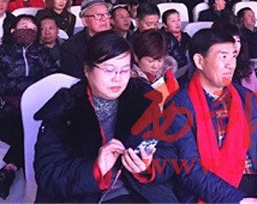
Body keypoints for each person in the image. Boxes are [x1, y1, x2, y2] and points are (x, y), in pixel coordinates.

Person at [34, 31, 172, 202]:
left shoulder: (144, 99)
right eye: (109, 70)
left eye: (124, 70)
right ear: (87, 70)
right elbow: (48, 175)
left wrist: (148, 167)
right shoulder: (65, 110)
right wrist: (96, 168)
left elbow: (169, 153)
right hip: (86, 197)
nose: (117, 78)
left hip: (141, 194)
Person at [154, 28, 257, 202]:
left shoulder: (246, 98)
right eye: (223, 57)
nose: (231, 64)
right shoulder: (179, 106)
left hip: (255, 183)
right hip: (213, 191)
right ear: (199, 61)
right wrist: (239, 200)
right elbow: (191, 171)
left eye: (233, 56)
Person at [0, 16, 58, 199]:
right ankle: (38, 196)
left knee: (45, 134)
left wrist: (33, 90)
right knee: (27, 134)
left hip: (39, 111)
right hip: (8, 113)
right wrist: (30, 86)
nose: (28, 30)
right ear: (12, 30)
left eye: (32, 27)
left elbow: (54, 77)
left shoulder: (41, 52)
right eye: (24, 26)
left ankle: (9, 170)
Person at [60, 0, 112, 79]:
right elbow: (75, 81)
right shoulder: (70, 48)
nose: (103, 19)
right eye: (98, 15)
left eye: (106, 14)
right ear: (84, 21)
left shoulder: (118, 41)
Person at [132, 29, 179, 107]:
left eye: (160, 60)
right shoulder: (132, 83)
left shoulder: (166, 74)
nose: (156, 66)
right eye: (150, 61)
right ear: (136, 57)